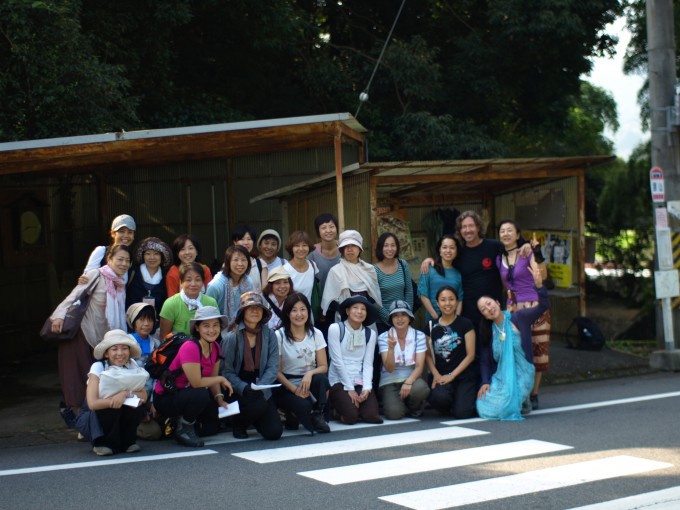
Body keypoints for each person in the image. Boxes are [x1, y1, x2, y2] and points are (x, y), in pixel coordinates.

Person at [49, 244, 131, 411]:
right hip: (84, 332)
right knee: (80, 376)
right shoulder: (96, 275)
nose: (124, 264)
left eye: (127, 261)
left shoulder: (120, 283)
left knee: (98, 377)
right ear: (109, 259)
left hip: (102, 336)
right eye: (120, 259)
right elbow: (74, 296)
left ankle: (94, 413)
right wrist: (59, 316)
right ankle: (80, 416)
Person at [420, 211, 532, 331]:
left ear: (478, 227)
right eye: (464, 227)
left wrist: (526, 244)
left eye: (471, 226)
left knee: (499, 341)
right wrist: (430, 260)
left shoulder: (494, 246)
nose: (467, 230)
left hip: (493, 309)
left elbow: (513, 247)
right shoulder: (459, 252)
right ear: (460, 231)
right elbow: (446, 260)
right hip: (469, 314)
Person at [476, 266, 549, 421]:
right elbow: (484, 361)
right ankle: (521, 402)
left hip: (524, 373)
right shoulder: (488, 332)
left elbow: (543, 306)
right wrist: (485, 382)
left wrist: (539, 286)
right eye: (484, 309)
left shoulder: (519, 318)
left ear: (497, 302)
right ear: (484, 315)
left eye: (489, 303)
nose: (489, 309)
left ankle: (523, 399)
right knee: (482, 406)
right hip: (501, 377)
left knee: (505, 408)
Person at [153, 306, 233, 446]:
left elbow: (212, 379)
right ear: (197, 328)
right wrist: (221, 379)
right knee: (201, 394)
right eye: (206, 326)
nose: (212, 330)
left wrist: (219, 399)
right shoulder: (190, 347)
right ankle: (183, 428)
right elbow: (197, 382)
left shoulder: (215, 347)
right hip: (167, 397)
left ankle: (178, 422)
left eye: (215, 325)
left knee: (211, 428)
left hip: (187, 394)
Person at [497, 220, 550, 410]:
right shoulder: (499, 259)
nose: (506, 234)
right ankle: (522, 392)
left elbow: (542, 276)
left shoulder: (527, 253)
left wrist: (537, 252)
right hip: (513, 309)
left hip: (534, 305)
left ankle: (534, 393)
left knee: (538, 350)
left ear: (518, 235)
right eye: (502, 231)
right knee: (517, 350)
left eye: (510, 230)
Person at [221, 292, 283, 440]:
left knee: (274, 432)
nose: (255, 311)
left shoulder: (270, 335)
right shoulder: (232, 337)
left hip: (261, 387)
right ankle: (239, 425)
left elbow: (273, 367)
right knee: (258, 405)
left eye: (258, 308)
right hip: (238, 388)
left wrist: (261, 387)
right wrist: (243, 387)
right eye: (250, 308)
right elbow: (226, 370)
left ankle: (254, 418)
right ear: (242, 312)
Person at [274, 293, 331, 434]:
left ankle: (317, 414)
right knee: (302, 407)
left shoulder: (316, 334)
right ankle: (291, 412)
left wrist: (309, 374)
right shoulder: (279, 335)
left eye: (302, 309)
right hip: (288, 384)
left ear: (308, 312)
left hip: (309, 382)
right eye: (294, 310)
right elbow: (277, 371)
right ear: (287, 313)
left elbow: (323, 366)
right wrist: (295, 390)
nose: (299, 314)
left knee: (321, 379)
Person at [86, 330, 149, 455]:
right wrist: (114, 400)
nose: (120, 353)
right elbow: (92, 403)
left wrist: (124, 394)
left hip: (123, 405)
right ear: (106, 353)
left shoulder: (132, 365)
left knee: (136, 407)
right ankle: (102, 443)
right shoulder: (98, 367)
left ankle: (128, 442)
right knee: (111, 411)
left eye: (124, 348)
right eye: (114, 349)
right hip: (99, 411)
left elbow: (143, 395)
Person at [328, 296, 382, 425]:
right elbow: (337, 361)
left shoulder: (370, 334)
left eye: (363, 309)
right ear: (347, 311)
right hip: (339, 380)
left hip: (359, 380)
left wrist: (367, 388)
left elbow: (368, 363)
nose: (359, 311)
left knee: (372, 416)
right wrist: (349, 388)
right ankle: (335, 409)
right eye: (355, 308)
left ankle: (357, 408)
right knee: (351, 417)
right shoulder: (336, 329)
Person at [425, 286, 478, 418]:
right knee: (438, 399)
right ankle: (452, 403)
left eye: (451, 299)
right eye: (443, 300)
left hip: (464, 376)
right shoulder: (431, 326)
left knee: (462, 413)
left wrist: (452, 375)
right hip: (441, 376)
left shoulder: (466, 324)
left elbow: (471, 355)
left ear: (457, 302)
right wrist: (436, 375)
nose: (447, 303)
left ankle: (462, 401)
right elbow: (427, 355)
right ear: (437, 303)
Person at [377, 301, 429, 420]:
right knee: (394, 414)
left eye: (403, 315)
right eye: (395, 315)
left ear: (410, 317)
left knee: (421, 389)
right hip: (390, 380)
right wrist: (391, 348)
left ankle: (413, 407)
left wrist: (408, 382)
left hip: (412, 378)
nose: (400, 319)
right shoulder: (384, 337)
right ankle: (398, 403)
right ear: (391, 319)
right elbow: (389, 368)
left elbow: (419, 366)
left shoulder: (419, 335)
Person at [321, 229, 382, 324]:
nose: (350, 249)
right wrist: (347, 311)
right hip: (344, 318)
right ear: (342, 250)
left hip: (365, 316)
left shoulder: (369, 269)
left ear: (360, 249)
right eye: (346, 246)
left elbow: (374, 294)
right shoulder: (335, 271)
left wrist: (362, 308)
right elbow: (329, 299)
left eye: (353, 245)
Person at [159, 262, 219, 339]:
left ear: (202, 282)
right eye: (188, 280)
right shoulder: (170, 304)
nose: (193, 284)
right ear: (181, 283)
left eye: (197, 280)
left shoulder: (211, 303)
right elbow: (164, 338)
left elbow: (215, 332)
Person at [417, 235, 463, 324]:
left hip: (452, 321)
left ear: (456, 251)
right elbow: (423, 294)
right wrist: (436, 317)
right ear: (440, 250)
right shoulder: (428, 268)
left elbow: (460, 299)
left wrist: (456, 319)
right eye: (444, 247)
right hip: (433, 320)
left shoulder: (458, 274)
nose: (448, 250)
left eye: (452, 248)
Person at [374, 232, 414, 333]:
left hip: (403, 319)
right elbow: (375, 300)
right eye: (386, 245)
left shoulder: (402, 264)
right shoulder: (374, 270)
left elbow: (409, 291)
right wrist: (390, 319)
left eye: (393, 245)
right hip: (383, 322)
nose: (390, 249)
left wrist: (406, 315)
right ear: (380, 248)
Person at [207, 245, 254, 325]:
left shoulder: (248, 282)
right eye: (236, 260)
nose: (240, 264)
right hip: (218, 327)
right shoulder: (216, 285)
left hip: (241, 325)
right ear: (228, 262)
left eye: (243, 260)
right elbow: (207, 313)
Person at [126, 237, 172, 312]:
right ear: (143, 256)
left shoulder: (166, 276)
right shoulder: (132, 273)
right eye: (148, 254)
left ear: (162, 256)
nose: (152, 257)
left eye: (156, 253)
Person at [283, 230, 318, 304]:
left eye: (304, 245)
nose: (301, 249)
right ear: (291, 248)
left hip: (309, 310)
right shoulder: (285, 270)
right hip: (292, 309)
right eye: (297, 246)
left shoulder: (313, 265)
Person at [308, 213, 340, 291]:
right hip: (320, 296)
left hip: (344, 296)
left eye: (331, 227)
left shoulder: (344, 247)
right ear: (318, 231)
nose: (328, 231)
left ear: (336, 228)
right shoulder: (312, 252)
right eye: (323, 227)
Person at [231, 224, 267, 291]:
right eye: (242, 239)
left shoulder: (260, 264)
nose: (246, 243)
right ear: (235, 242)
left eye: (249, 239)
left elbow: (265, 291)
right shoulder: (228, 264)